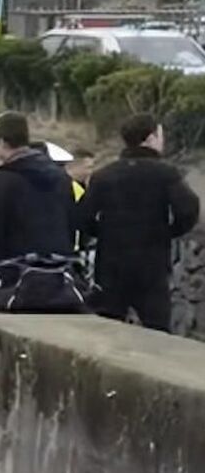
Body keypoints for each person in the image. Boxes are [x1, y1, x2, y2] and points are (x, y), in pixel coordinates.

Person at [79, 114, 200, 332]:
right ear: (151, 137)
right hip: (151, 265)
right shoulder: (166, 174)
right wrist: (168, 232)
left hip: (111, 265)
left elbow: (83, 217)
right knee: (157, 331)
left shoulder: (103, 176)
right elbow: (189, 209)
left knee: (107, 329)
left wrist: (104, 233)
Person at [0, 112, 74, 298]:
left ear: (2, 141)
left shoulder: (3, 180)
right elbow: (71, 222)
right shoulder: (61, 178)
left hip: (12, 280)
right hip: (56, 279)